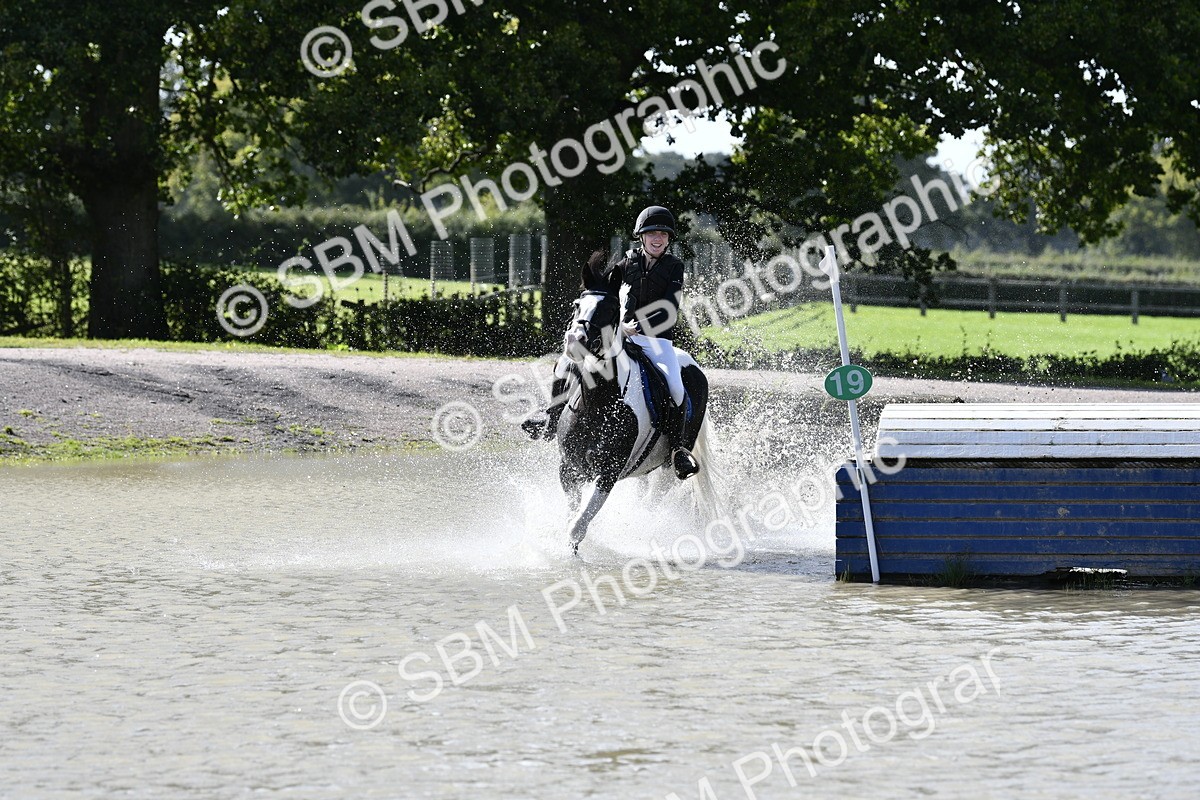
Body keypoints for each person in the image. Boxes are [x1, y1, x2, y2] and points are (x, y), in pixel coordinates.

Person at [522, 205, 700, 480]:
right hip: (618, 336)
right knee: (567, 361)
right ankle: (553, 416)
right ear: (641, 236)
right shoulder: (627, 262)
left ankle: (678, 450)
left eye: (663, 234)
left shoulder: (674, 266)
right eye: (651, 233)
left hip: (656, 341)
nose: (657, 238)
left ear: (668, 239)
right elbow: (603, 292)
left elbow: (669, 309)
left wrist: (636, 326)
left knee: (676, 388)